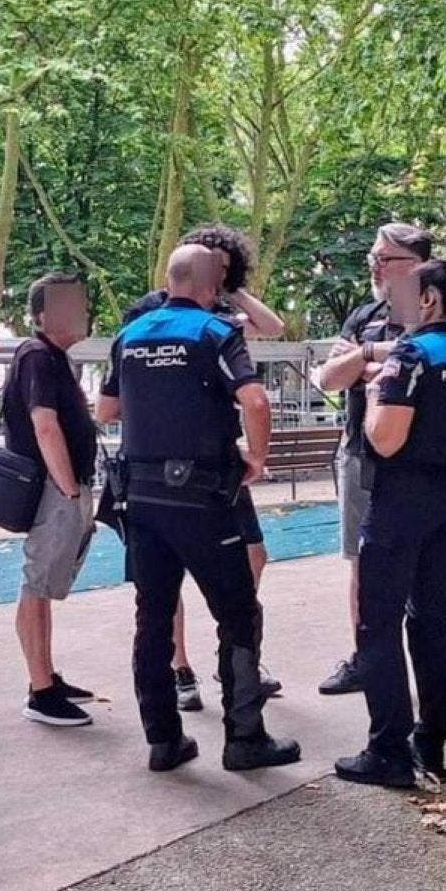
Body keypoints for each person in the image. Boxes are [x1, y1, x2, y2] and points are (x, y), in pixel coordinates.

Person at [97, 243, 300, 773]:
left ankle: (163, 740)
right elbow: (255, 400)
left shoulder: (130, 335)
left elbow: (107, 409)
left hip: (142, 497)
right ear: (213, 286)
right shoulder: (215, 332)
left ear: (168, 280)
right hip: (203, 496)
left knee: (153, 616)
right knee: (237, 613)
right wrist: (257, 457)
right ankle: (244, 738)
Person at [335, 259, 446, 788]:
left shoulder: (412, 354)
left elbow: (385, 439)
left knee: (377, 622)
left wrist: (375, 391)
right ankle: (434, 735)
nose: (395, 299)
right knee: (432, 618)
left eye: (406, 291)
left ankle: (388, 750)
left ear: (429, 300)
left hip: (403, 498)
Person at [119, 224, 285, 712]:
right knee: (165, 587)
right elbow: (255, 400)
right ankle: (183, 668)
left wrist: (229, 290)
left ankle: (232, 664)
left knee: (249, 559)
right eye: (209, 265)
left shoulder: (219, 317)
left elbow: (273, 326)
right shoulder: (152, 316)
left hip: (208, 466)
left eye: (225, 268)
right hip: (179, 468)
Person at [311, 223, 431, 695]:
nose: (375, 267)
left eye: (385, 258)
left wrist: (369, 362)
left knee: (431, 570)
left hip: (421, 461)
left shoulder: (440, 310)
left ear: (417, 264)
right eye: (372, 258)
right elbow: (329, 378)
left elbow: (436, 362)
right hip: (361, 457)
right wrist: (371, 353)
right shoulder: (365, 316)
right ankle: (366, 660)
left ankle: (442, 671)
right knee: (361, 563)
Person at [5, 274, 102, 728]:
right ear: (42, 316)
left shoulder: (53, 358)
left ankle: (45, 678)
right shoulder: (38, 357)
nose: (80, 313)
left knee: (43, 586)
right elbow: (45, 425)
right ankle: (41, 690)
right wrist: (67, 488)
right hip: (53, 489)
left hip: (61, 486)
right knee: (37, 584)